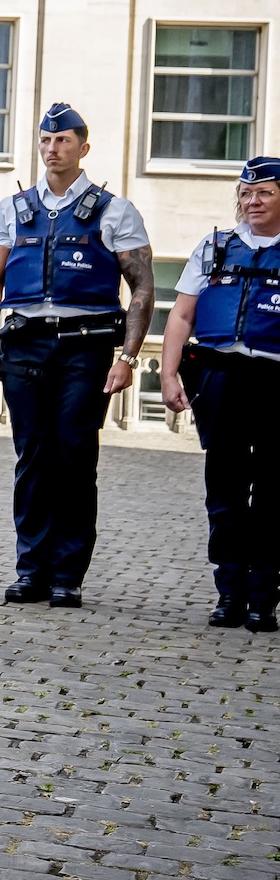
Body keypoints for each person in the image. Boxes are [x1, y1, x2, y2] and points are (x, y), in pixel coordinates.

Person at [0, 102, 153, 609]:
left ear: (83, 148)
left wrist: (129, 357)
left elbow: (141, 288)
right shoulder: (12, 208)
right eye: (46, 141)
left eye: (63, 141)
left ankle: (66, 574)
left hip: (86, 346)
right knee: (32, 457)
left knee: (74, 455)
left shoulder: (115, 211)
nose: (52, 150)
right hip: (24, 344)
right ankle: (30, 569)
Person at [158, 157, 280, 631]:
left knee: (273, 495)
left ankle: (263, 596)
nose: (253, 201)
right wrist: (169, 374)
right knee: (225, 491)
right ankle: (229, 591)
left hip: (274, 382)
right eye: (247, 193)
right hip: (221, 378)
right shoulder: (214, 248)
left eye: (265, 193)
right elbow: (182, 315)